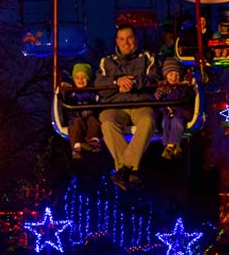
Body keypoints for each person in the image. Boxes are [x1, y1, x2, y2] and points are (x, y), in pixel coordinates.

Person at [95, 24, 158, 191]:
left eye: (129, 38)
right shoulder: (106, 61)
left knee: (148, 120)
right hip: (116, 104)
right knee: (107, 123)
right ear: (116, 41)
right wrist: (117, 82)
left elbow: (154, 78)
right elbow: (99, 85)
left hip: (141, 102)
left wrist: (134, 83)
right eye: (122, 39)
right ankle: (130, 170)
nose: (126, 42)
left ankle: (123, 169)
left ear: (135, 39)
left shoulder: (148, 57)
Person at [155, 57, 193, 160]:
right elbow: (159, 104)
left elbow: (184, 100)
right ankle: (170, 145)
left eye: (176, 74)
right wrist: (159, 96)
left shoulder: (183, 87)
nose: (174, 77)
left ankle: (171, 146)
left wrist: (173, 105)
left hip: (180, 112)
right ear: (166, 75)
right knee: (165, 123)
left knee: (177, 123)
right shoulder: (162, 88)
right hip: (167, 113)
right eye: (171, 74)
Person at [65, 63, 102, 160]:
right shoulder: (72, 93)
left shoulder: (92, 92)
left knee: (93, 121)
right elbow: (68, 105)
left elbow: (98, 103)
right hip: (77, 117)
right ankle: (76, 146)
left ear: (88, 79)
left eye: (83, 77)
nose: (80, 80)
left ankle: (94, 140)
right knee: (76, 124)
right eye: (77, 77)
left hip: (90, 116)